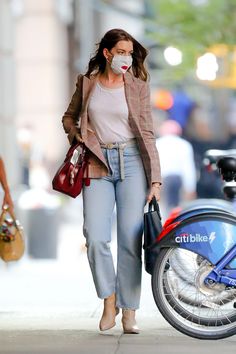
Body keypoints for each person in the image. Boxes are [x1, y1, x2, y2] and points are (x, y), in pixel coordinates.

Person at [61, 28, 161, 334]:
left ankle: (129, 311)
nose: (127, 58)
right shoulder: (87, 83)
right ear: (107, 53)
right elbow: (69, 117)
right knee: (95, 234)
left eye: (130, 53)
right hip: (96, 163)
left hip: (131, 162)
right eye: (121, 52)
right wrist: (78, 135)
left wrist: (155, 179)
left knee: (131, 240)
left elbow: (146, 132)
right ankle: (109, 299)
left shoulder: (138, 86)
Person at [156, 119, 196, 218]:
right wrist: (191, 188)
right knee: (178, 207)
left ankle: (165, 226)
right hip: (178, 180)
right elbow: (188, 168)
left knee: (162, 208)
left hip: (161, 180)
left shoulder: (157, 143)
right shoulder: (184, 144)